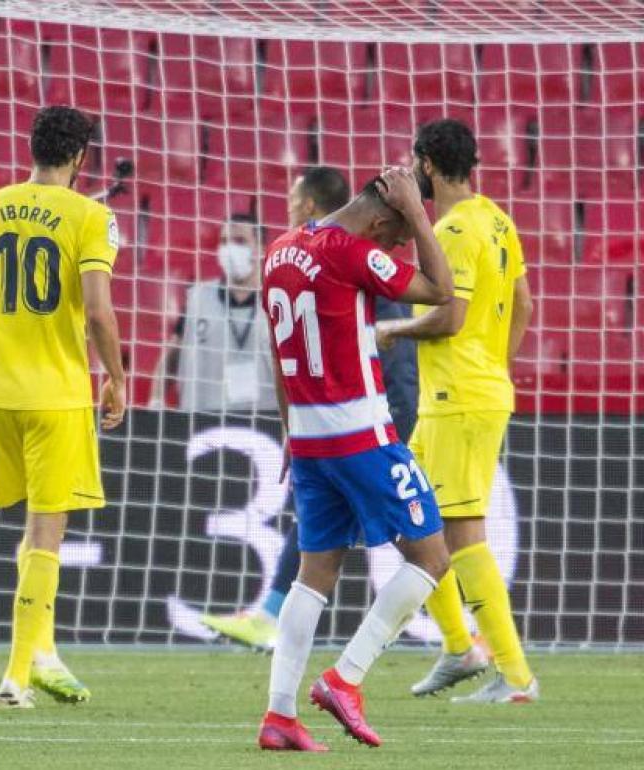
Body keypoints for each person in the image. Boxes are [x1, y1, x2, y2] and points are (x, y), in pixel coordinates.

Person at [0, 105, 126, 709]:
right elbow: (99, 311)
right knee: (48, 531)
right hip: (56, 396)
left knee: (33, 528)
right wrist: (117, 377)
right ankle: (15, 677)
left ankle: (43, 653)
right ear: (81, 157)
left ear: (31, 148)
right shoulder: (92, 216)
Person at [257, 167, 454, 751]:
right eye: (396, 236)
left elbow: (277, 349)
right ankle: (346, 677)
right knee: (431, 557)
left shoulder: (279, 250)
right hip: (360, 433)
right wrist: (418, 213)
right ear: (379, 221)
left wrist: (289, 428)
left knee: (315, 572)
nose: (395, 248)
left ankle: (280, 715)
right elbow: (442, 291)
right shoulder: (352, 253)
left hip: (310, 436)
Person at [203, 166, 420, 649]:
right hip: (342, 417)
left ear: (306, 205)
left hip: (373, 415)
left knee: (420, 541)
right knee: (370, 532)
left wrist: (385, 420)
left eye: (291, 200)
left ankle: (454, 639)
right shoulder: (311, 257)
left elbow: (393, 346)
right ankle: (274, 619)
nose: (288, 208)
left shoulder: (351, 258)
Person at [377, 119, 538, 703]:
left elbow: (451, 317)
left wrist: (393, 329)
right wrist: (498, 364)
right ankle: (458, 647)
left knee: (461, 532)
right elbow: (523, 302)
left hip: (459, 399)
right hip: (461, 395)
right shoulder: (496, 218)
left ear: (425, 164)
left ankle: (515, 676)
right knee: (407, 518)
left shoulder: (452, 230)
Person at [161, 214, 276, 414]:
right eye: (224, 241)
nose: (230, 249)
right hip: (202, 418)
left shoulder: (279, 301)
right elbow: (171, 356)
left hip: (266, 420)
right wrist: (155, 400)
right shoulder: (198, 298)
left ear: (261, 249)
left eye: (239, 241)